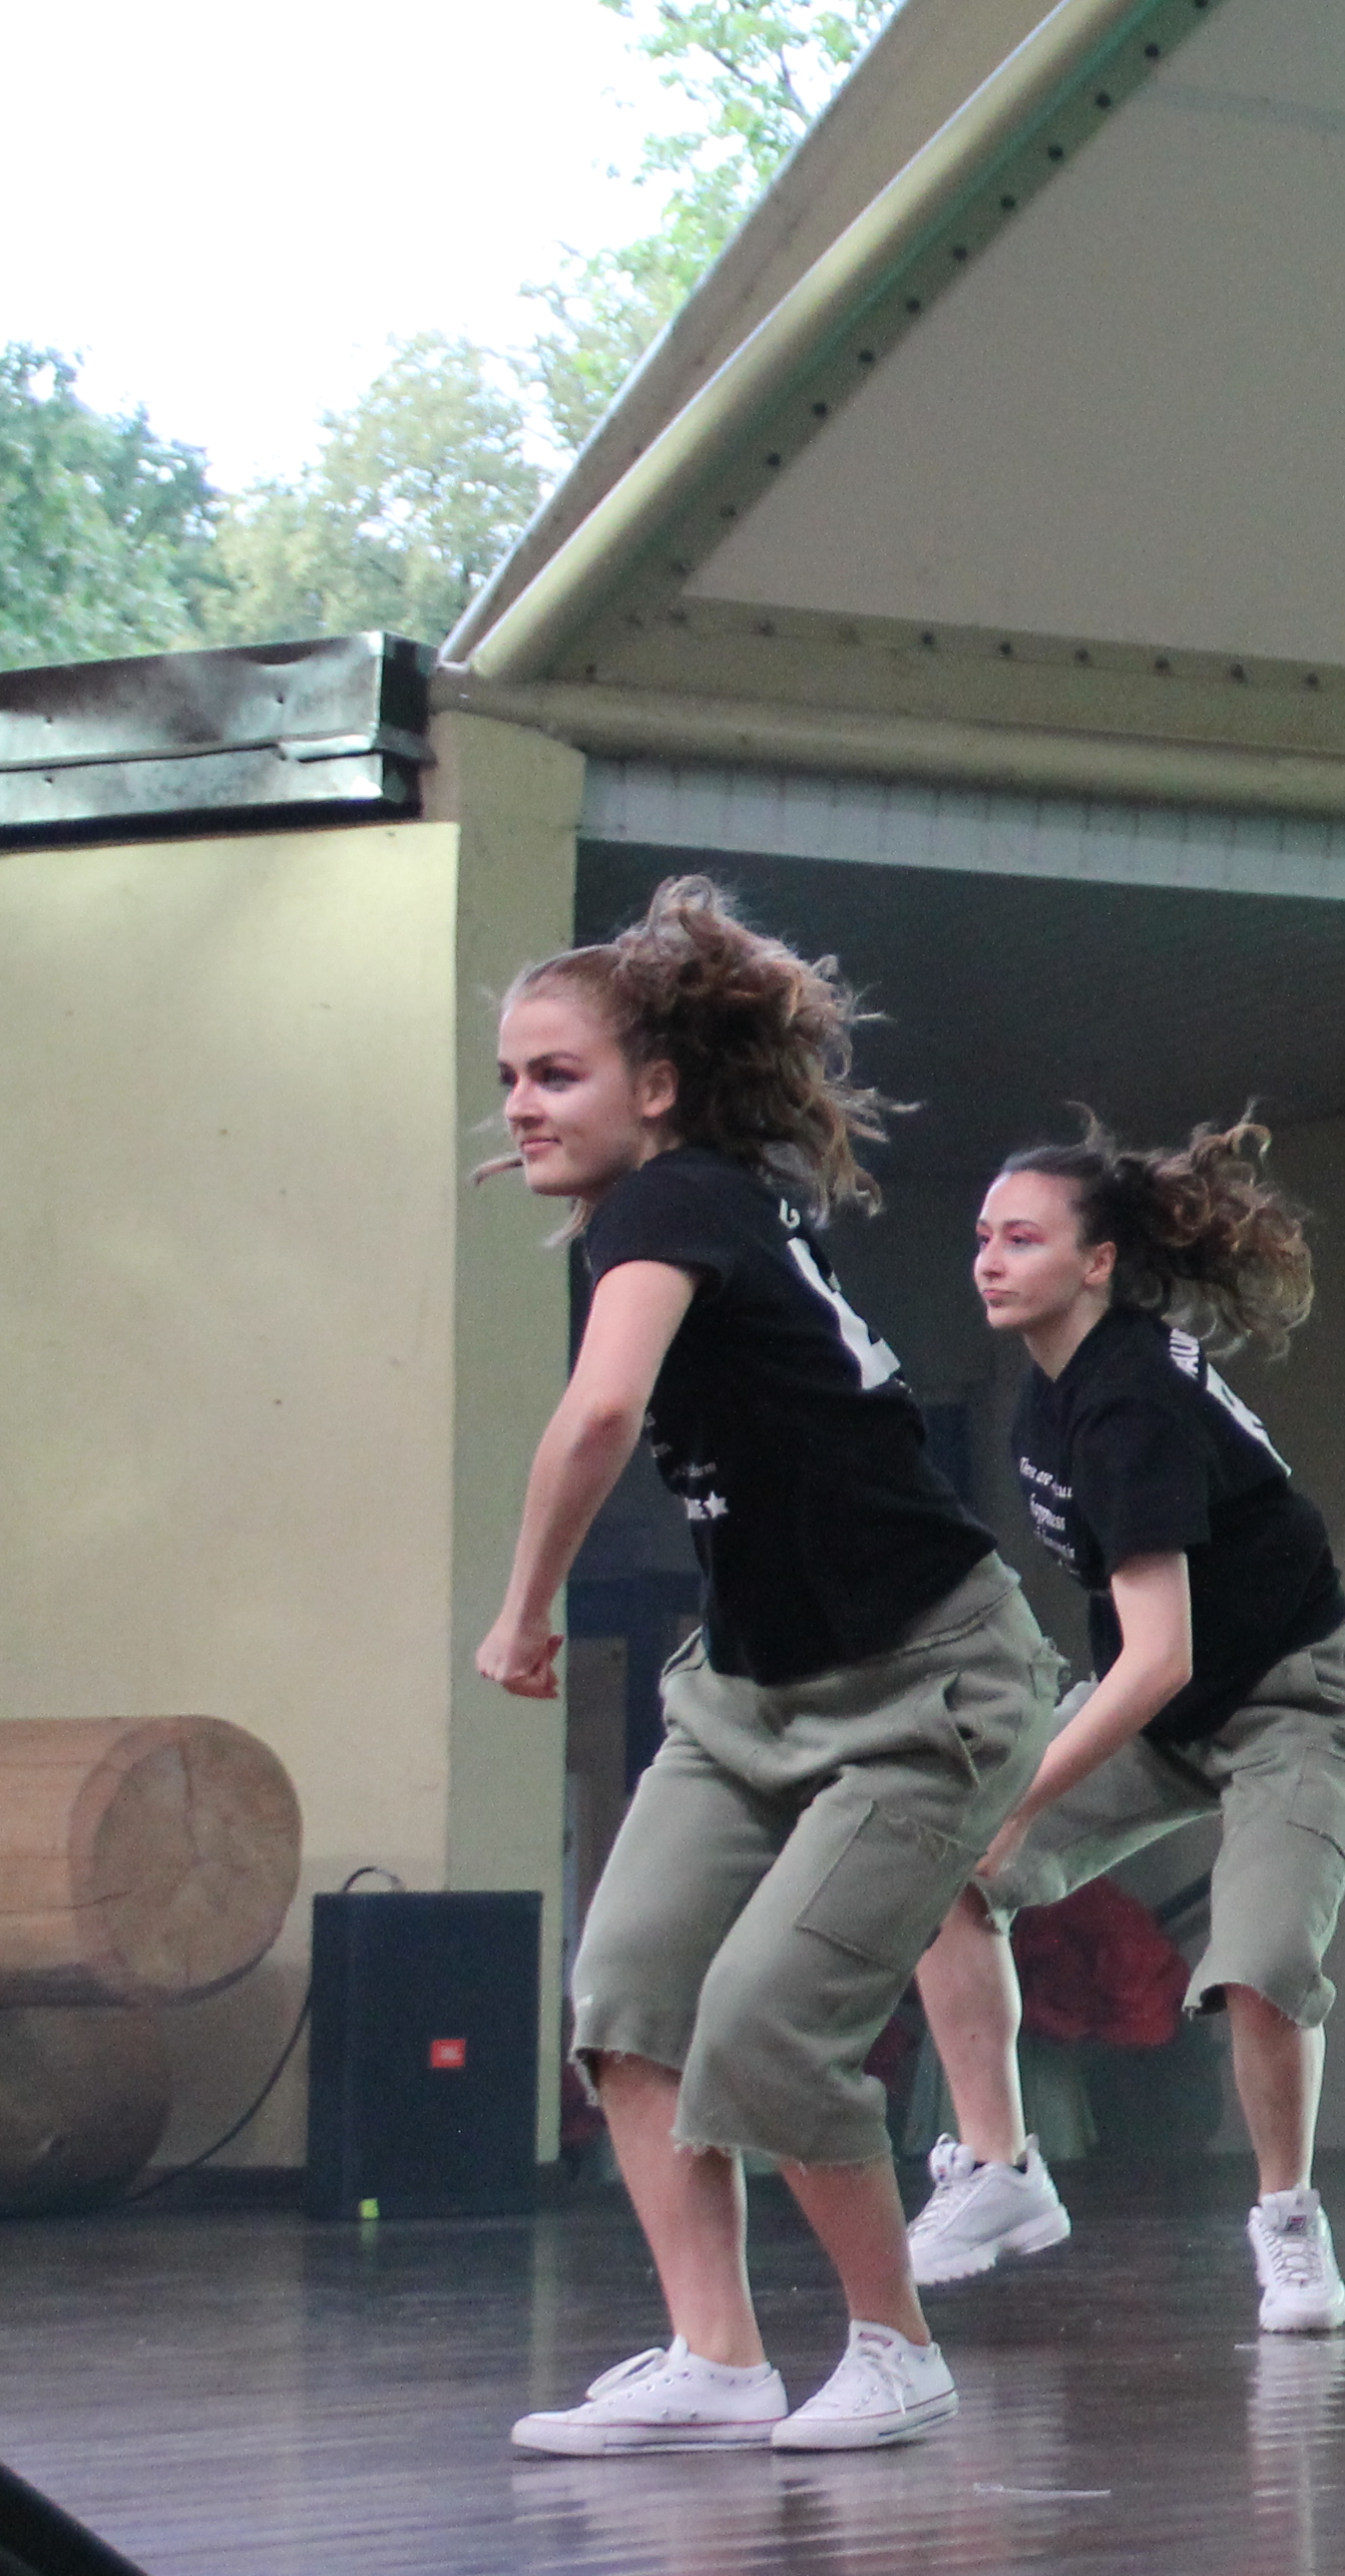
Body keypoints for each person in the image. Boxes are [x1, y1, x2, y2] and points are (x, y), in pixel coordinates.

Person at [483, 877, 1059, 2457]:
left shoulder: (669, 1203)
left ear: (659, 1089)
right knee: (627, 1998)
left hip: (926, 1689)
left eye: (558, 1074)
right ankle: (716, 2360)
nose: (523, 1106)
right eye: (510, 1079)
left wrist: (523, 1610)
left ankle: (896, 2350)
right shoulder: (695, 1207)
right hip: (744, 1693)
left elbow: (601, 1416)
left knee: (764, 2025)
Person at [902, 1114, 1345, 2336]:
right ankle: (1000, 2166)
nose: (990, 1259)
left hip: (1294, 1700)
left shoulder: (1128, 1403)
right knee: (940, 1865)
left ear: (1100, 1260)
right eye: (983, 1237)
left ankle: (1288, 2220)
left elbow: (1159, 1655)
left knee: (1259, 1965)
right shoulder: (1048, 1398)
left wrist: (1018, 1791)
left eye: (1023, 1238)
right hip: (1166, 1712)